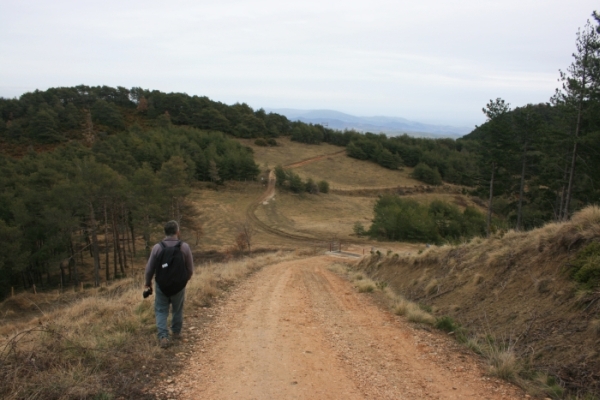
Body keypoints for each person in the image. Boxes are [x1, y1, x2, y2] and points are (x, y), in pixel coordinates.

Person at [144, 220, 194, 348]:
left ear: (165, 233)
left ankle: (163, 337)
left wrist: (148, 283)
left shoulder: (157, 247)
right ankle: (176, 333)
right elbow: (190, 269)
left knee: (161, 310)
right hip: (179, 286)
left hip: (161, 285)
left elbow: (150, 269)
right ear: (177, 232)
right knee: (177, 309)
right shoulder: (184, 247)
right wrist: (184, 281)